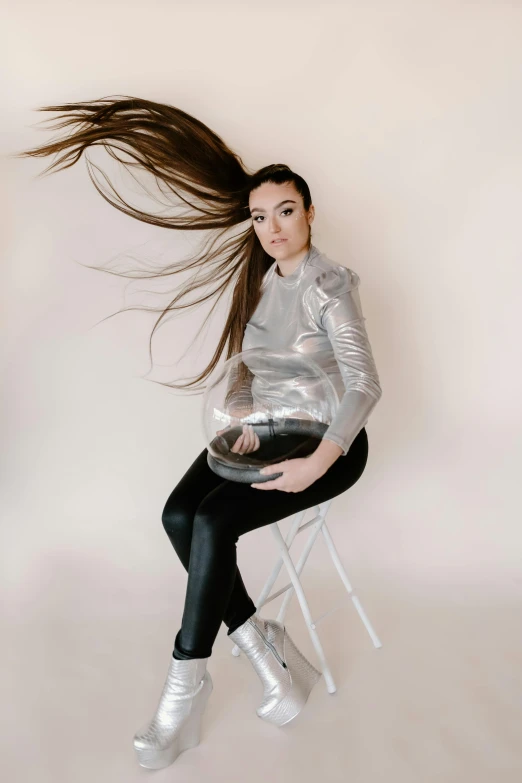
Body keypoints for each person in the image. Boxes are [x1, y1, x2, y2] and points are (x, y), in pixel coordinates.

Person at [15, 96, 382, 770]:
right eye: (260, 216)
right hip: (267, 432)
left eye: (286, 211)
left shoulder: (332, 284)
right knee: (179, 513)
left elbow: (364, 384)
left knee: (213, 525)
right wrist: (242, 420)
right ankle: (262, 654)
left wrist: (319, 462)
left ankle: (184, 688)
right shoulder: (263, 283)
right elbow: (251, 372)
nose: (272, 227)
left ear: (309, 213)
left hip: (328, 441)